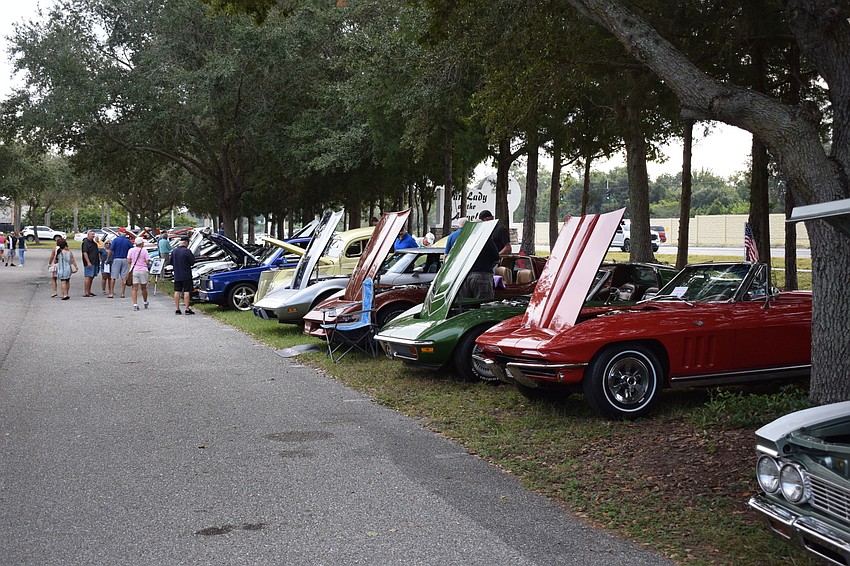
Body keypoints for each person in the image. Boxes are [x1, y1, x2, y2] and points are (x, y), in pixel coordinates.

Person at [460, 235, 500, 301]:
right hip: (482, 276)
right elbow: (496, 258)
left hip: (463, 277)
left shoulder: (462, 239)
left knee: (465, 306)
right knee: (484, 305)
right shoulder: (485, 239)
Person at [170, 234, 196, 315]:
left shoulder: (174, 251)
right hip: (186, 274)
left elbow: (171, 262)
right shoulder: (187, 251)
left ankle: (177, 309)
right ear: (185, 243)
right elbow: (192, 262)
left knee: (177, 291)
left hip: (177, 274)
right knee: (187, 291)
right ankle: (187, 309)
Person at [127, 236, 151, 311]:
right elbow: (147, 261)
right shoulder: (144, 251)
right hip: (143, 270)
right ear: (141, 243)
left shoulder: (131, 250)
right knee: (143, 287)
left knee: (134, 288)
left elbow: (128, 261)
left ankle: (135, 304)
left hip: (134, 270)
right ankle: (145, 302)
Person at [108, 232, 133, 298]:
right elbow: (132, 250)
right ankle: (122, 293)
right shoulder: (128, 241)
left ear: (119, 233)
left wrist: (107, 259)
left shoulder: (115, 240)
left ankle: (111, 293)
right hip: (125, 259)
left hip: (117, 259)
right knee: (124, 277)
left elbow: (111, 250)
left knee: (113, 277)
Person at [80, 230, 100, 297]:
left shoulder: (94, 243)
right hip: (89, 262)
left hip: (95, 262)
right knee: (88, 277)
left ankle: (89, 290)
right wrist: (88, 262)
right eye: (92, 234)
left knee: (92, 277)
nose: (93, 236)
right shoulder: (85, 243)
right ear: (88, 235)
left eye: (94, 234)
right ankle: (86, 292)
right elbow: (85, 253)